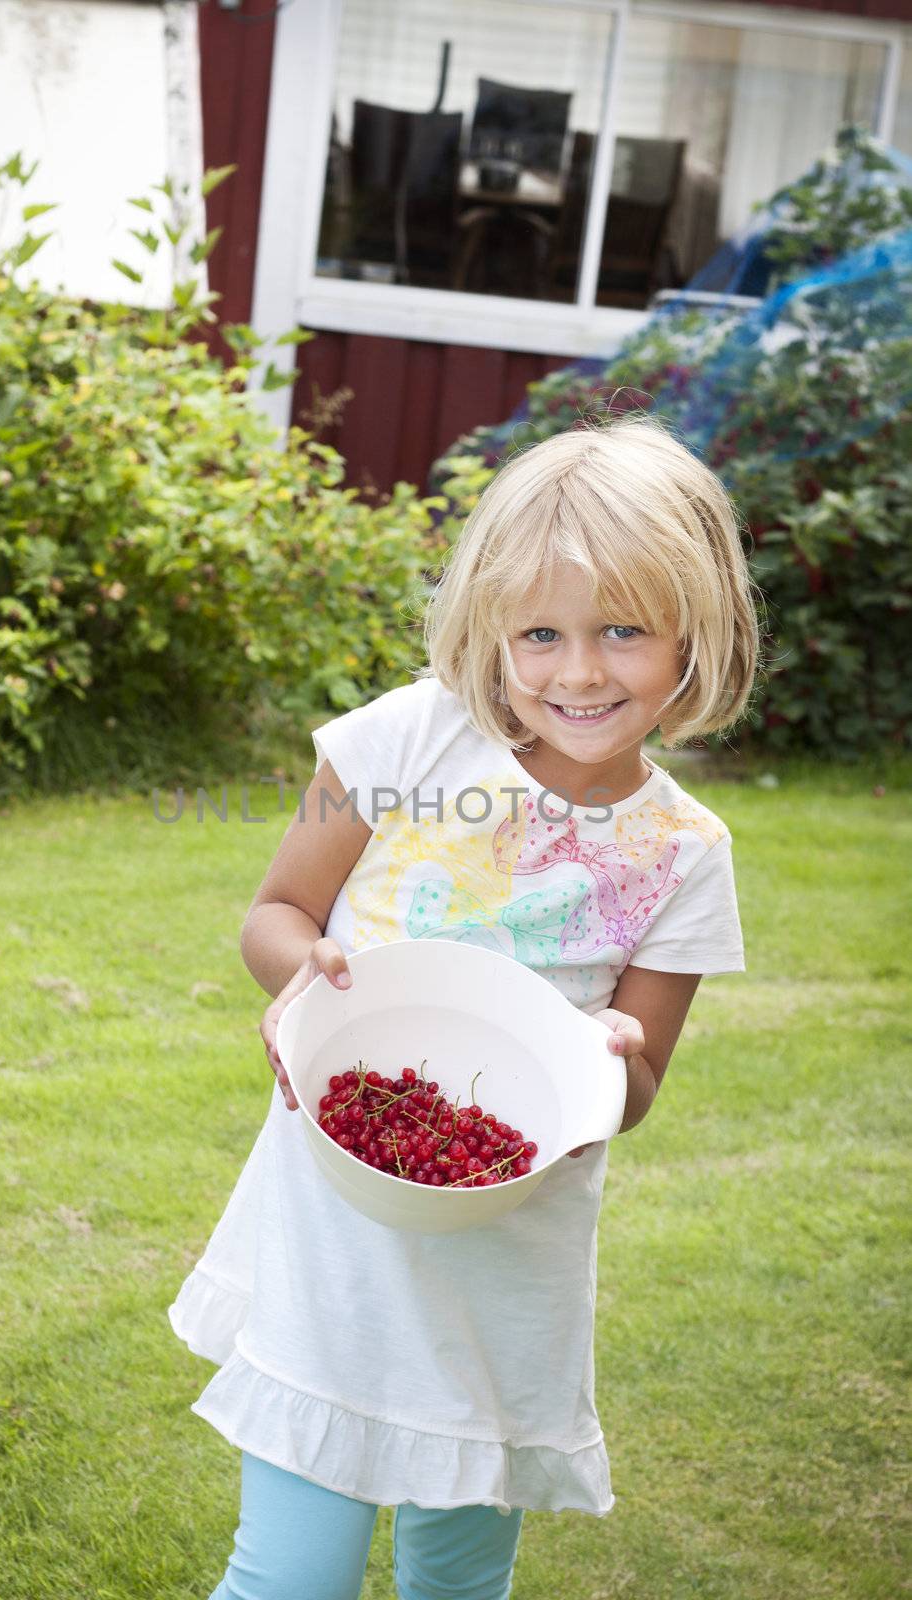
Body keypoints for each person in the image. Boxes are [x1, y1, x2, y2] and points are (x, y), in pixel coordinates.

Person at [168, 415, 761, 1600]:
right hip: (334, 1234)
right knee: (292, 1574)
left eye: (622, 632)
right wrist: (299, 988)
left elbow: (633, 1095)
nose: (577, 671)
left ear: (694, 633)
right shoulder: (408, 738)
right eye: (538, 633)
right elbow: (276, 913)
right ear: (489, 625)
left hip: (505, 1269)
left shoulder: (685, 851)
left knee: (456, 1574)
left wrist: (612, 1060)